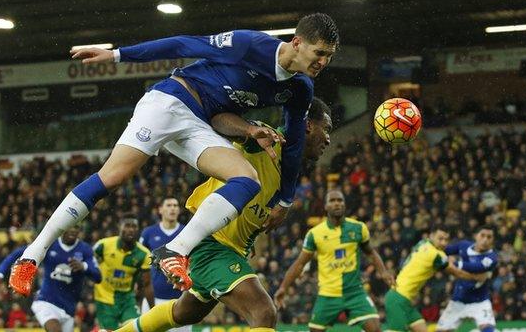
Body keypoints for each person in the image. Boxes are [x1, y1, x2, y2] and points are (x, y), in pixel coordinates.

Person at [10, 13, 339, 295]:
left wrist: (283, 199)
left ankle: (175, 250)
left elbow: (293, 144)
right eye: (319, 52)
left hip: (199, 124)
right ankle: (31, 256)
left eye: (329, 56)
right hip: (169, 102)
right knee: (113, 177)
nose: (323, 62)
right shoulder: (249, 45)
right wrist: (117, 56)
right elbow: (183, 44)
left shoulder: (300, 89)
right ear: (297, 43)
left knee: (247, 179)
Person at [102, 97, 332, 332]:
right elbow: (219, 120)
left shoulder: (288, 174)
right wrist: (249, 130)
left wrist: (247, 234)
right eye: (326, 129)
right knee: (263, 312)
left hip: (231, 249)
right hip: (211, 246)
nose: (328, 138)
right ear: (308, 125)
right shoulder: (268, 141)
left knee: (184, 313)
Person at [273, 190, 394, 332]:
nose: (337, 203)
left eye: (340, 200)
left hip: (355, 292)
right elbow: (300, 263)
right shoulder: (315, 234)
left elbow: (371, 253)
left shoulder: (358, 228)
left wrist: (383, 272)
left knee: (375, 329)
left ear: (344, 204)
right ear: (325, 206)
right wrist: (283, 287)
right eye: (332, 200)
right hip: (328, 294)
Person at [0, 225, 101, 332]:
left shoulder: (86, 250)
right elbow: (17, 253)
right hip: (46, 301)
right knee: (55, 329)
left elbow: (98, 276)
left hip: (69, 308)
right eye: (70, 226)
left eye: (76, 227)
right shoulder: (50, 244)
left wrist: (84, 266)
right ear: (63, 227)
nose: (73, 230)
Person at [384, 225, 488, 332]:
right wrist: (477, 278)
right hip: (398, 299)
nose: (443, 242)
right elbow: (458, 273)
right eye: (440, 238)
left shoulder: (423, 243)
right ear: (432, 236)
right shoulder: (435, 255)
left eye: (446, 239)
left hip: (404, 300)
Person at [138, 198, 190, 332]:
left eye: (175, 205)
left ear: (179, 210)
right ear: (160, 210)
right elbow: (139, 262)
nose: (172, 208)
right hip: (154, 298)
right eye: (169, 205)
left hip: (182, 299)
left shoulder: (188, 232)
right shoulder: (148, 233)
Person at [93, 217, 154, 330]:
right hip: (104, 300)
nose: (131, 229)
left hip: (127, 300)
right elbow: (90, 265)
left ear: (138, 230)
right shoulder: (103, 245)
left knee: (135, 328)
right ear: (119, 227)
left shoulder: (144, 254)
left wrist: (153, 309)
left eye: (134, 226)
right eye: (127, 225)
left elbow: (147, 284)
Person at [436, 226, 498, 332]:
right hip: (458, 300)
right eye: (482, 235)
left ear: (493, 240)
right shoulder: (463, 246)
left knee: (488, 329)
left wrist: (455, 263)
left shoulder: (492, 257)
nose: (485, 240)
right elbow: (444, 250)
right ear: (475, 236)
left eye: (489, 237)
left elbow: (477, 267)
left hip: (480, 301)